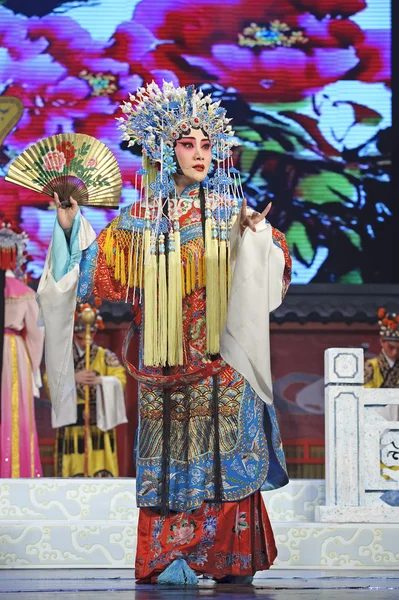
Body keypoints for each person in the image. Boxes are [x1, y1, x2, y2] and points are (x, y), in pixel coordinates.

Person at [37, 81, 292, 584]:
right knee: (172, 458)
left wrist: (261, 242)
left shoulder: (230, 214)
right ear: (162, 149)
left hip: (224, 360)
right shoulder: (136, 221)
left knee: (224, 456)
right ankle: (173, 556)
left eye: (205, 144)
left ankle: (224, 557)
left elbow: (276, 271)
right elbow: (91, 280)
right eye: (187, 144)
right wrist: (69, 225)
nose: (200, 154)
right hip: (165, 360)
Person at [47, 300, 127, 477]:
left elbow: (120, 378)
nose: (85, 342)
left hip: (98, 422)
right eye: (80, 337)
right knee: (73, 469)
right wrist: (72, 378)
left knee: (100, 467)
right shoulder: (64, 358)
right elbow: (49, 380)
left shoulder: (104, 356)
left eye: (88, 336)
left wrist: (100, 380)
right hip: (71, 423)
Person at [0, 222, 44, 478]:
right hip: (14, 350)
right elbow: (36, 336)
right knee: (15, 410)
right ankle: (16, 472)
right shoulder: (25, 292)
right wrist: (34, 368)